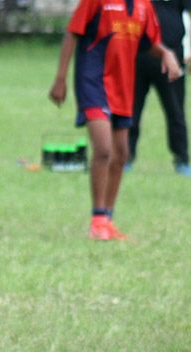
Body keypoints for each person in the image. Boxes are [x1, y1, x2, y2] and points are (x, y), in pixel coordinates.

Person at [49, 0, 183, 240]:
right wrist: (60, 78)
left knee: (121, 153)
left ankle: (107, 219)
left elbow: (147, 42)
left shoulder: (144, 6)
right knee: (103, 149)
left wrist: (166, 53)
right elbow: (72, 33)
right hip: (93, 82)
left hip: (122, 86)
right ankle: (97, 220)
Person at [127, 0, 191, 175]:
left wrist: (188, 51)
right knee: (131, 109)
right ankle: (126, 156)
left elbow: (186, 17)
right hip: (139, 56)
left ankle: (182, 159)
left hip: (172, 56)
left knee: (176, 111)